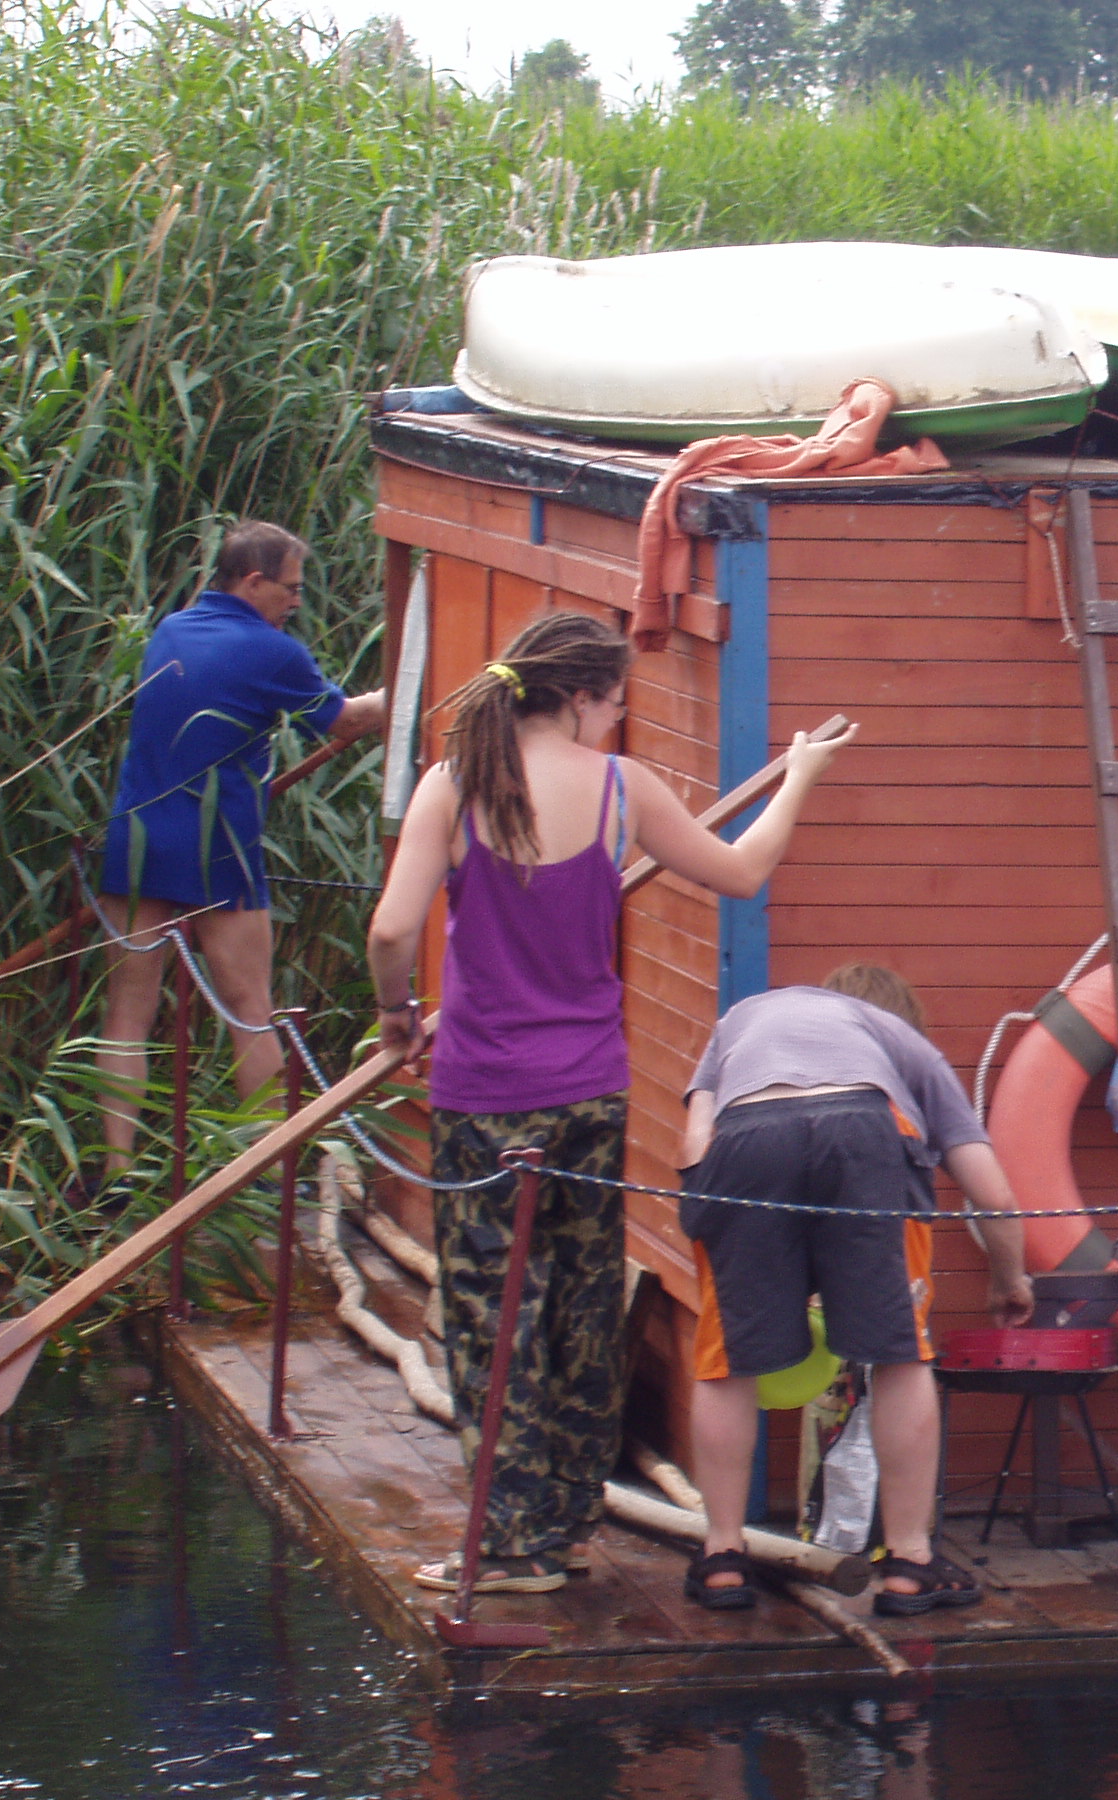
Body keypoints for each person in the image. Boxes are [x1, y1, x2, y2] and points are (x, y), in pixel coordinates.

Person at [366, 610, 854, 1594]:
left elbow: (390, 932)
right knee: (582, 1302)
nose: (617, 720)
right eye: (616, 703)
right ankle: (567, 1527)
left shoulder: (453, 786)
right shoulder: (623, 789)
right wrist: (800, 775)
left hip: (483, 1094)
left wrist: (394, 1017)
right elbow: (743, 871)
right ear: (583, 697)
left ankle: (511, 1546)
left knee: (493, 1312)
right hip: (589, 1088)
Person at [674, 963, 1034, 1616]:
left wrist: (710, 1220)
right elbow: (995, 1195)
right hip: (867, 1132)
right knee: (899, 1354)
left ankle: (722, 1559)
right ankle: (909, 1564)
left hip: (746, 1135)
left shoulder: (740, 1021)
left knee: (725, 1358)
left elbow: (698, 1137)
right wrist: (1009, 1279)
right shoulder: (905, 1046)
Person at [95, 521, 387, 1165]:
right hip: (216, 845)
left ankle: (115, 1174)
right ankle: (264, 1176)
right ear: (253, 582)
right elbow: (344, 720)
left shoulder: (171, 630)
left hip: (137, 837)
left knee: (126, 1013)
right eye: (291, 588)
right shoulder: (271, 651)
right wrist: (405, 690)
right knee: (251, 1010)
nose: (297, 602)